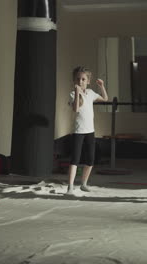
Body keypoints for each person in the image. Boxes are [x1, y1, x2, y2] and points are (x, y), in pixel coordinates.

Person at [66, 66, 108, 195]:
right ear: (74, 80)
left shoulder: (90, 93)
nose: (80, 81)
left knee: (90, 159)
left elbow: (105, 98)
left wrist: (101, 86)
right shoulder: (73, 94)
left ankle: (83, 183)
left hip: (90, 130)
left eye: (83, 79)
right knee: (75, 159)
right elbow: (76, 109)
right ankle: (70, 186)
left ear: (88, 81)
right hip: (79, 131)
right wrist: (77, 92)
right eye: (78, 79)